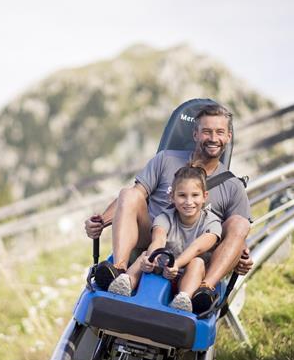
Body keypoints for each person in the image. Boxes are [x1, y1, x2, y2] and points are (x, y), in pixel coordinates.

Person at [85, 104, 253, 311]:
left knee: (240, 222)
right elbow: (133, 196)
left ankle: (204, 290)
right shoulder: (166, 159)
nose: (213, 138)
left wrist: (240, 257)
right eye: (206, 131)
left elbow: (239, 235)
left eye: (219, 132)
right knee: (128, 193)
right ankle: (119, 269)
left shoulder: (233, 186)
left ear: (228, 137)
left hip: (196, 253)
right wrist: (101, 222)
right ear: (195, 134)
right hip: (154, 236)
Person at [108, 165, 222, 313]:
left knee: (197, 262)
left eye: (195, 195)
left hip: (187, 276)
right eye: (182, 195)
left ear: (204, 196)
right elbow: (158, 239)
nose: (188, 201)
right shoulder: (165, 217)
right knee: (145, 256)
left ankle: (184, 298)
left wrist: (177, 265)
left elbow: (197, 247)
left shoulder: (212, 223)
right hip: (162, 270)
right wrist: (151, 259)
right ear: (172, 197)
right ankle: (126, 282)